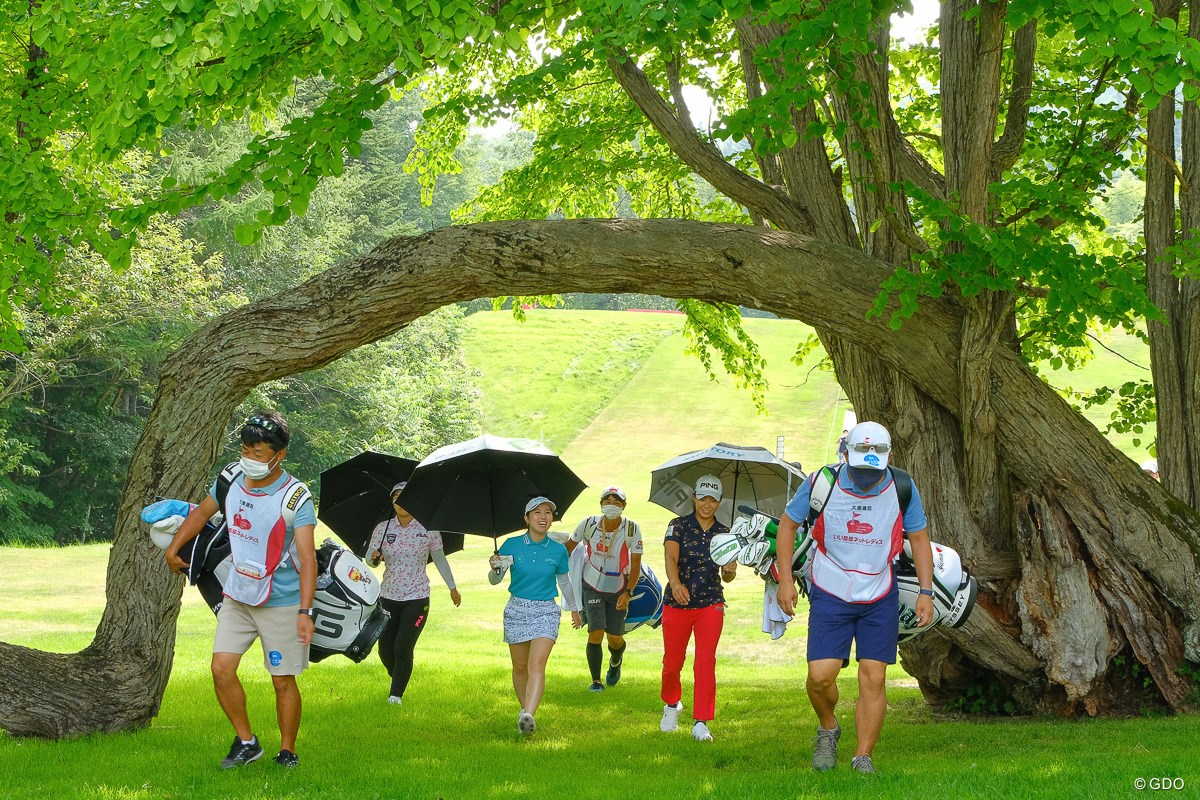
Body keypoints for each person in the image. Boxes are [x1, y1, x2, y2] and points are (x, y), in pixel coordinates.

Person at [774, 421, 935, 775]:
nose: (866, 475)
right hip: (831, 590)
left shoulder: (902, 486)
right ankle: (829, 726)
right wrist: (785, 580)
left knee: (874, 676)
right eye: (859, 466)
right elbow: (787, 526)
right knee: (820, 677)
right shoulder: (821, 483)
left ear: (888, 456)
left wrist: (926, 591)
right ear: (846, 454)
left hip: (879, 593)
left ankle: (863, 757)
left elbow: (919, 539)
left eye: (873, 468)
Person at [165, 411, 316, 769]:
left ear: (279, 456)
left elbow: (308, 559)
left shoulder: (296, 498)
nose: (249, 458)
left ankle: (288, 751)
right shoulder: (230, 478)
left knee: (282, 681)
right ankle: (247, 742)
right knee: (221, 669)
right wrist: (174, 548)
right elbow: (201, 514)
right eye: (245, 449)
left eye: (258, 452)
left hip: (281, 601)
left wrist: (305, 611)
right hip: (238, 594)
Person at [488, 496, 583, 734]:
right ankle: (524, 714)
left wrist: (574, 608)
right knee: (520, 667)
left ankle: (530, 713)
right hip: (517, 608)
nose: (543, 517)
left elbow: (565, 581)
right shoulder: (511, 544)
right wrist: (495, 567)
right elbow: (494, 580)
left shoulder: (558, 550)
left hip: (545, 610)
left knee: (536, 663)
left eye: (548, 513)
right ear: (527, 518)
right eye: (537, 512)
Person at [367, 481, 461, 706]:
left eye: (405, 497)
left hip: (417, 597)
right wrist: (374, 559)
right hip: (388, 595)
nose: (401, 502)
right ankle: (400, 674)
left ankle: (395, 695)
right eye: (396, 498)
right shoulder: (383, 529)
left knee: (403, 646)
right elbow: (370, 559)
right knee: (385, 650)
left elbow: (439, 558)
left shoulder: (428, 529)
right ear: (392, 502)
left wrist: (452, 587)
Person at [659, 475, 737, 742]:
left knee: (705, 662)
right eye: (702, 497)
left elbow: (727, 576)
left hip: (710, 603)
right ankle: (671, 703)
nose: (707, 504)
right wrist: (676, 583)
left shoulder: (725, 533)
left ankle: (701, 721)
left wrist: (729, 570)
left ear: (719, 501)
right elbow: (671, 556)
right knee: (672, 662)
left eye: (713, 499)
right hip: (677, 602)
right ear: (694, 497)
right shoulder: (678, 525)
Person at [566, 485, 644, 692]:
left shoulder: (631, 528)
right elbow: (568, 548)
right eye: (607, 502)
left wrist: (628, 592)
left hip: (618, 588)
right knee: (595, 633)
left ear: (624, 506)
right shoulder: (589, 524)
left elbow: (635, 565)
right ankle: (596, 681)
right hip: (591, 585)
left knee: (615, 638)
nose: (612, 506)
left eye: (617, 502)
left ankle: (616, 661)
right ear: (601, 505)